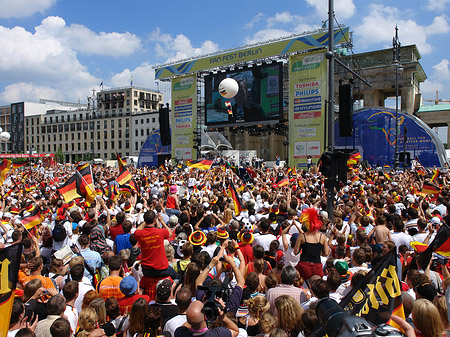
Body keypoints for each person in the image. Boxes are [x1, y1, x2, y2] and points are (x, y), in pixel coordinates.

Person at [133, 210, 177, 279]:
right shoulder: (160, 232)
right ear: (154, 220)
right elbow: (170, 233)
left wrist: (146, 221)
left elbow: (137, 230)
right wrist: (162, 221)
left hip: (147, 269)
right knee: (176, 277)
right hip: (161, 268)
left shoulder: (140, 234)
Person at [294, 208, 329, 280]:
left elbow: (295, 252)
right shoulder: (322, 237)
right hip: (317, 268)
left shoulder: (302, 236)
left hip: (303, 267)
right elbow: (326, 253)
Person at [174, 300, 239, 337]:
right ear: (205, 316)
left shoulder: (180, 333)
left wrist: (192, 317)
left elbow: (190, 321)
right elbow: (235, 330)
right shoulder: (218, 334)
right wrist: (223, 317)